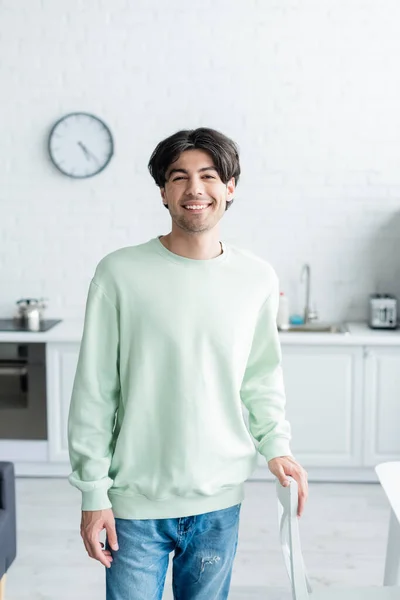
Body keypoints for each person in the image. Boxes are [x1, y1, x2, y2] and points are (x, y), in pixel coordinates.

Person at [67, 127, 308, 600]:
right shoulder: (118, 273)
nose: (194, 189)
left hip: (219, 503)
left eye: (209, 176)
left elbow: (260, 377)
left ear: (230, 187)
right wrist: (93, 494)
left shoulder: (256, 278)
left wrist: (276, 446)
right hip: (135, 503)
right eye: (179, 177)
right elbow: (95, 392)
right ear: (163, 191)